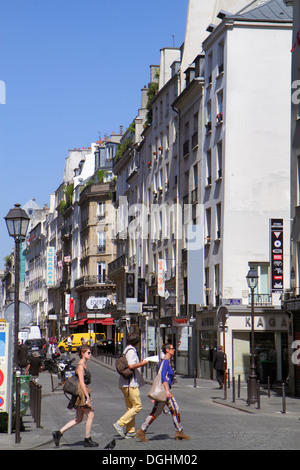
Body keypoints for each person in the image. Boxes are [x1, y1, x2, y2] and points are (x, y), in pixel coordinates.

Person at [136, 343, 190, 442]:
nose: (174, 350)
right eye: (172, 348)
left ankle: (142, 430)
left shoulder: (165, 361)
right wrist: (167, 391)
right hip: (165, 391)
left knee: (156, 412)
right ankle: (179, 432)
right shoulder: (165, 362)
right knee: (175, 408)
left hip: (163, 391)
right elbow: (163, 378)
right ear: (167, 350)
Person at [52, 345, 99, 448]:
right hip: (81, 395)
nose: (90, 354)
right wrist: (87, 397)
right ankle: (87, 439)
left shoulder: (83, 365)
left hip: (81, 394)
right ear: (82, 354)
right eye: (88, 353)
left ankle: (59, 433)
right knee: (90, 415)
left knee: (78, 419)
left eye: (90, 352)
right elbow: (81, 383)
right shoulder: (81, 366)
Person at [113, 333, 148, 439]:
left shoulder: (126, 350)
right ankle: (120, 423)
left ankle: (130, 431)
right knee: (137, 406)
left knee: (130, 408)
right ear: (136, 343)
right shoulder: (131, 351)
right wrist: (143, 363)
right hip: (130, 383)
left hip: (124, 383)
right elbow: (131, 365)